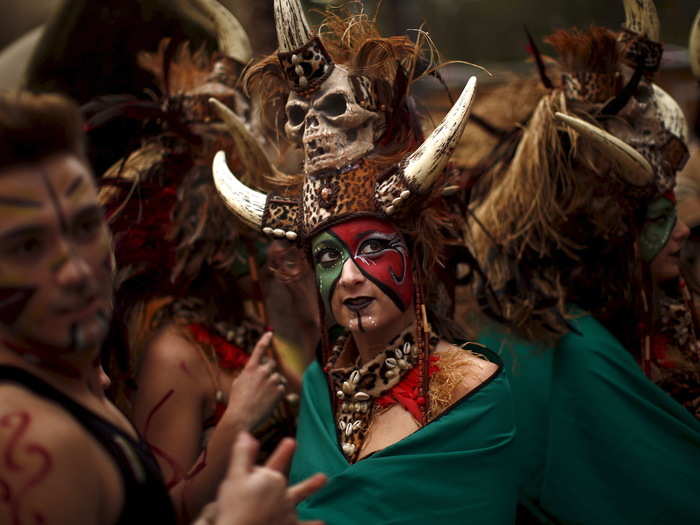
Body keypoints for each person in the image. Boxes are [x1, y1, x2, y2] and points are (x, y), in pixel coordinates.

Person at [211, 1, 518, 523]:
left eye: (374, 247)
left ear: (414, 256)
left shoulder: (475, 392)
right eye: (328, 256)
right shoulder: (319, 389)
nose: (350, 275)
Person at [0, 90, 326, 525]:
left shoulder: (71, 382)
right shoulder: (30, 442)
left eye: (83, 226)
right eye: (28, 246)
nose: (75, 270)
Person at [468, 2, 700, 522]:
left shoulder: (658, 310)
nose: (683, 231)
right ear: (609, 232)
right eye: (659, 218)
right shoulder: (573, 352)